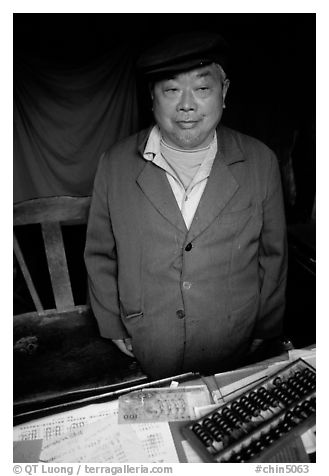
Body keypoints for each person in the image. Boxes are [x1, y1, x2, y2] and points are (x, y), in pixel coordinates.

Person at [84, 31, 288, 380]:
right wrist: (111, 323)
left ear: (224, 92)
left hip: (232, 340)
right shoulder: (115, 164)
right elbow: (100, 253)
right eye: (171, 89)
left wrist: (266, 326)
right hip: (149, 341)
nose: (187, 105)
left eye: (202, 88)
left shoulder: (259, 162)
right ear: (152, 97)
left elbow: (273, 254)